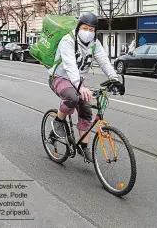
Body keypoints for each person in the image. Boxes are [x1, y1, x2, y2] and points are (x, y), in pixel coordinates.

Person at [48, 12, 125, 162]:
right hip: (59, 77)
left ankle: (83, 147)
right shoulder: (68, 40)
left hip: (78, 81)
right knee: (72, 97)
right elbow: (70, 65)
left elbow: (103, 61)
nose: (88, 32)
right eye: (85, 28)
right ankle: (58, 121)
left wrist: (114, 79)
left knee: (86, 110)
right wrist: (79, 86)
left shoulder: (95, 44)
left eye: (91, 29)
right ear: (78, 28)